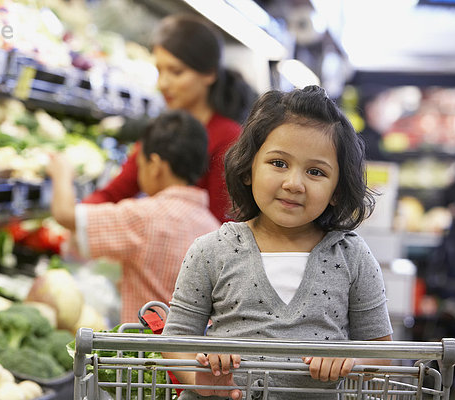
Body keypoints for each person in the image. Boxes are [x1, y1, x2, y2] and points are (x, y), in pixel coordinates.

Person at [162, 86, 393, 399]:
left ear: (337, 189)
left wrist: (349, 361)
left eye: (315, 171)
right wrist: (199, 379)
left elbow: (380, 351)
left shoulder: (352, 256)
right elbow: (176, 340)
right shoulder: (210, 250)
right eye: (279, 163)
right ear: (249, 169)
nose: (293, 184)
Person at [47, 110, 221, 323]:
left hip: (146, 349)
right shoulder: (214, 229)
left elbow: (65, 215)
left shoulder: (143, 217)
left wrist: (61, 174)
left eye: (140, 164)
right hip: (191, 350)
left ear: (155, 166)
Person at [83, 13, 256, 223]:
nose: (163, 84)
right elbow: (115, 192)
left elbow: (221, 223)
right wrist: (78, 218)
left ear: (209, 74)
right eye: (159, 71)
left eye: (176, 72)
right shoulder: (163, 130)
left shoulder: (228, 139)